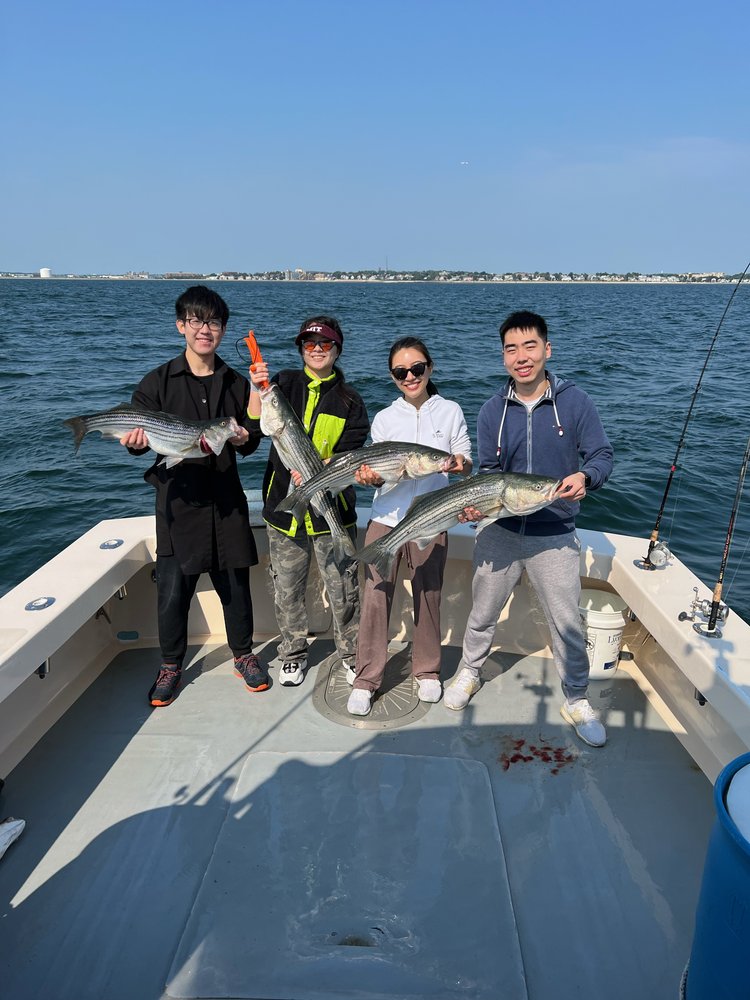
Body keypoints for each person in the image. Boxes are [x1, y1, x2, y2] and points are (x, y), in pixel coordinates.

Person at [445, 310, 614, 747]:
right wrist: (474, 508)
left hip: (555, 533)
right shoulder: (489, 411)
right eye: (511, 349)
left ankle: (576, 698)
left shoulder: (575, 402)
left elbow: (601, 455)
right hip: (499, 531)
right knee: (482, 613)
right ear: (503, 357)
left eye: (530, 346)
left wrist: (586, 478)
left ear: (547, 349)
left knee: (566, 625)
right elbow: (489, 473)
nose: (522, 357)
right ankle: (469, 672)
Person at [120, 285, 266, 707]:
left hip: (225, 499)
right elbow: (138, 441)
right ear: (181, 325)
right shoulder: (158, 382)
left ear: (223, 329)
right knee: (172, 591)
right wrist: (132, 440)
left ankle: (243, 654)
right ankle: (170, 664)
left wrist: (243, 432)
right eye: (197, 321)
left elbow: (253, 439)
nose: (206, 329)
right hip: (177, 503)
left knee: (236, 585)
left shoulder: (236, 383)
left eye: (214, 322)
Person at [346, 337, 472, 717]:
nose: (410, 376)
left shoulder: (450, 411)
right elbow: (378, 474)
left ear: (430, 368)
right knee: (375, 595)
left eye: (417, 368)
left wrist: (456, 464)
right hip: (386, 518)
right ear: (392, 376)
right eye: (401, 372)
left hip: (434, 515)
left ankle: (427, 669)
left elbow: (466, 459)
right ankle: (367, 678)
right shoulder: (386, 418)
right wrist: (367, 477)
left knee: (429, 592)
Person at [248, 316, 369, 687]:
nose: (317, 350)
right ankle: (293, 654)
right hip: (284, 511)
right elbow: (256, 422)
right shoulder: (281, 384)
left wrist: (324, 469)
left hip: (332, 508)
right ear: (301, 348)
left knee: (344, 588)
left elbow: (352, 455)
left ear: (338, 349)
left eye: (325, 344)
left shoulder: (351, 400)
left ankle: (351, 654)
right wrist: (257, 388)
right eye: (309, 344)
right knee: (287, 589)